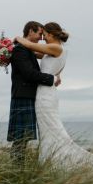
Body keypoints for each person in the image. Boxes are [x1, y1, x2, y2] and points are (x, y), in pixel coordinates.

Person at [14, 22, 93, 171]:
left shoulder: (55, 48)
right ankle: (51, 161)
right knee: (49, 130)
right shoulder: (54, 51)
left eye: (45, 34)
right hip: (47, 93)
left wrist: (16, 38)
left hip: (45, 96)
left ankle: (57, 162)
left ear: (52, 34)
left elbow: (30, 46)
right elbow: (34, 54)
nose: (42, 38)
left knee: (53, 130)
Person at [7, 21, 60, 167]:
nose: (40, 37)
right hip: (22, 96)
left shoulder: (27, 49)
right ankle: (16, 169)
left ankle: (18, 168)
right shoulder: (20, 50)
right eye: (39, 33)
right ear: (30, 31)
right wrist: (52, 79)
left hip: (27, 96)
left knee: (23, 138)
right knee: (20, 138)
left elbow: (46, 54)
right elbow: (29, 74)